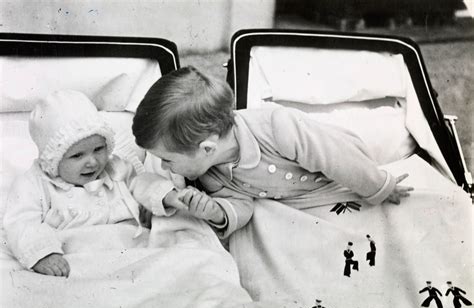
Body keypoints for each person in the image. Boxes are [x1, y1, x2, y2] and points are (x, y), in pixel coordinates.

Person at [132, 66, 414, 238]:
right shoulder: (212, 176)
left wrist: (379, 186)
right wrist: (216, 212)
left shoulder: (278, 127)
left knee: (391, 143)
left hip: (351, 159)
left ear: (206, 148)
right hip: (312, 195)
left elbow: (338, 157)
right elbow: (241, 204)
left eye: (168, 161)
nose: (167, 169)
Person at [3, 90, 189, 277]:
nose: (92, 162)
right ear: (53, 158)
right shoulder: (36, 184)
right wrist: (42, 254)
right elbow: (21, 222)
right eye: (77, 155)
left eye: (99, 149)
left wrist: (166, 195)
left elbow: (141, 183)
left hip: (131, 250)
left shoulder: (115, 168)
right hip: (75, 259)